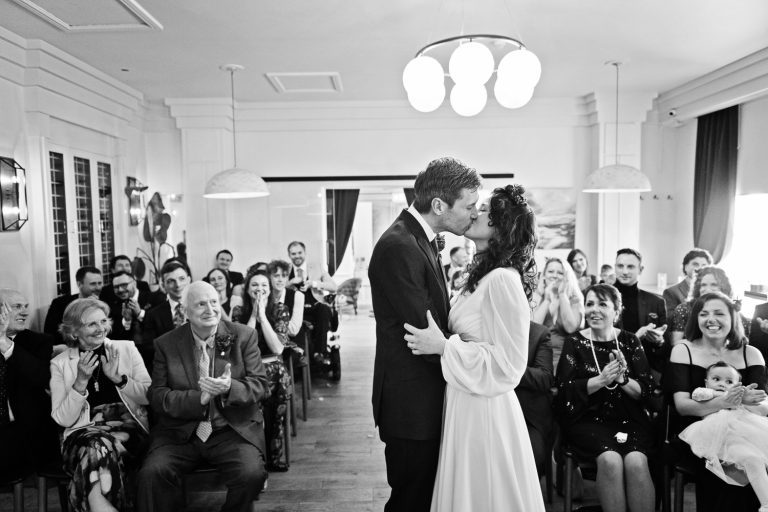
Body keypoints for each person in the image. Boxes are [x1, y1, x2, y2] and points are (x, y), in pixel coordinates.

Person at [404, 184, 544, 511]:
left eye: (483, 211)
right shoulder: (481, 276)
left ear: (498, 227)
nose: (474, 213)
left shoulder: (502, 281)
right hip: (466, 397)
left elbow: (510, 365)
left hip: (486, 409)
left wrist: (444, 348)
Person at [369, 156, 481, 512]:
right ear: (438, 205)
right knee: (410, 499)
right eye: (469, 205)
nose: (474, 214)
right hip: (411, 403)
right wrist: (475, 364)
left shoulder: (417, 237)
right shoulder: (399, 246)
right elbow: (424, 329)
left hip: (424, 395)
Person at [136, 281, 268, 512]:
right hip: (180, 433)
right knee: (152, 474)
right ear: (185, 312)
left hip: (230, 429)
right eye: (200, 304)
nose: (210, 309)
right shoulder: (166, 344)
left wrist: (229, 388)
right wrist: (200, 399)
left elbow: (260, 385)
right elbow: (157, 396)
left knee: (251, 474)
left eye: (214, 302)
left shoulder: (244, 336)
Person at [555, 283, 657, 512]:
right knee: (610, 460)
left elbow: (647, 391)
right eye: (590, 304)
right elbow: (564, 391)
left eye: (603, 304)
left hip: (630, 419)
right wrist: (600, 381)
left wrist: (622, 380)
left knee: (636, 461)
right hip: (589, 419)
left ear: (616, 311)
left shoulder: (630, 341)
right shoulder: (574, 342)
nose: (595, 310)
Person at [666, 291, 767, 511]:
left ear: (733, 318)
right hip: (699, 435)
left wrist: (741, 403)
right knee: (730, 470)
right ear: (696, 319)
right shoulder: (683, 350)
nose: (711, 319)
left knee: (756, 461)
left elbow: (762, 408)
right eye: (704, 314)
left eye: (719, 313)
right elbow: (683, 407)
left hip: (747, 430)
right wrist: (731, 400)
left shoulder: (752, 354)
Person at [50, 298, 150, 512]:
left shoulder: (126, 349)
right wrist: (79, 384)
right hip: (81, 433)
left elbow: (148, 396)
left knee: (97, 447)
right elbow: (63, 419)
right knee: (97, 445)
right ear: (74, 331)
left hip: (127, 427)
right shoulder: (60, 364)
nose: (101, 328)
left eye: (103, 321)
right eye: (91, 324)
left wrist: (120, 380)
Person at [678, 361, 768, 511]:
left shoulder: (740, 398)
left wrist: (744, 397)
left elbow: (762, 410)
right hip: (720, 439)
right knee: (750, 459)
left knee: (754, 460)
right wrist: (732, 395)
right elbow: (698, 395)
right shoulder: (705, 392)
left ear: (738, 384)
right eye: (716, 379)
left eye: (729, 382)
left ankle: (765, 503)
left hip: (744, 438)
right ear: (706, 382)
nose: (721, 384)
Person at [232, 270, 294, 471]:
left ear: (270, 288)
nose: (260, 289)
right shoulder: (239, 313)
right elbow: (243, 347)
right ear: (248, 289)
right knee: (254, 410)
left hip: (273, 367)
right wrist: (253, 315)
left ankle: (274, 455)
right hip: (250, 368)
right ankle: (257, 457)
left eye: (264, 285)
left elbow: (278, 348)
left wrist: (263, 318)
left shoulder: (280, 310)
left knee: (275, 401)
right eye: (255, 285)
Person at [0, 288, 59, 482]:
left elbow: (42, 376)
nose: (25, 312)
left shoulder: (38, 342)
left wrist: (3, 342)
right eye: (17, 307)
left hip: (25, 433)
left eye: (26, 306)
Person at [614, 248, 668, 372]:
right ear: (615, 267)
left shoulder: (656, 302)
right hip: (610, 365)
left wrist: (659, 341)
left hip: (646, 366)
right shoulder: (602, 298)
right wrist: (636, 337)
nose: (625, 271)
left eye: (631, 267)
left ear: (640, 269)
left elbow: (665, 347)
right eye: (620, 266)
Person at [669, 266, 750, 345]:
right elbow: (676, 343)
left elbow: (741, 343)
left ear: (724, 288)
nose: (707, 289)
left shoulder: (735, 312)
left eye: (714, 285)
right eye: (703, 285)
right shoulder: (684, 309)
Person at [286, 241, 337, 363]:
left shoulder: (317, 267)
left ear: (305, 253)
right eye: (293, 253)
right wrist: (290, 282)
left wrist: (314, 284)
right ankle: (296, 357)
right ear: (289, 255)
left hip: (315, 307)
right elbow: (276, 287)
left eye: (300, 253)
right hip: (295, 309)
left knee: (324, 309)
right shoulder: (286, 270)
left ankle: (319, 352)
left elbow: (333, 287)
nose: (297, 256)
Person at [515, 321, 555, 477]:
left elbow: (544, 377)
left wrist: (509, 367)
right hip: (491, 412)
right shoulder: (485, 328)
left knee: (530, 457)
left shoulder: (538, 332)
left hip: (528, 417)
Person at [530, 256, 584, 367]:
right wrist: (546, 300)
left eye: (560, 272)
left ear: (566, 277)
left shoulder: (574, 298)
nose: (554, 275)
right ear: (544, 275)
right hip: (538, 359)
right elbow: (532, 328)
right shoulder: (536, 295)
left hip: (564, 360)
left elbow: (570, 328)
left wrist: (562, 294)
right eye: (550, 271)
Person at [142, 260, 191, 367]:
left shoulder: (202, 307)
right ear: (163, 286)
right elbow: (148, 348)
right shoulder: (153, 315)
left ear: (189, 280)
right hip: (170, 369)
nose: (178, 285)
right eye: (171, 281)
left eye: (181, 279)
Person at [45, 266, 103, 343]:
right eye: (93, 284)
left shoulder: (105, 302)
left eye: (100, 283)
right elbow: (50, 332)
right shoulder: (60, 304)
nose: (98, 287)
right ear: (79, 284)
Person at [107, 270, 163, 343]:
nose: (120, 290)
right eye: (116, 287)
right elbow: (115, 337)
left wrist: (140, 314)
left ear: (134, 283)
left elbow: (160, 326)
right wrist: (127, 321)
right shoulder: (112, 306)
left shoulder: (155, 298)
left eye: (124, 285)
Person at [663, 248, 713, 319]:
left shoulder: (714, 291)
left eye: (704, 265)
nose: (700, 268)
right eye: (695, 264)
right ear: (685, 267)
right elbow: (671, 320)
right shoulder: (671, 292)